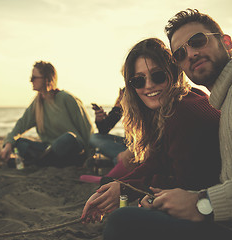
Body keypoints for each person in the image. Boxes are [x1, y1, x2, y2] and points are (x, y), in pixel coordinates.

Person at [103, 9, 232, 239]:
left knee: (121, 222)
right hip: (230, 218)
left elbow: (192, 182)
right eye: (180, 53)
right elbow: (162, 161)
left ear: (226, 41)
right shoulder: (219, 99)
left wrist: (202, 203)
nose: (191, 54)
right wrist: (126, 186)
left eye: (198, 41)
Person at [81, 38, 222, 229]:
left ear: (172, 73)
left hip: (217, 214)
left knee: (120, 222)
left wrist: (135, 192)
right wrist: (120, 187)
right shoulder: (183, 100)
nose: (148, 85)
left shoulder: (184, 112)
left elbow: (187, 185)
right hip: (205, 202)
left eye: (157, 76)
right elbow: (160, 159)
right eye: (138, 80)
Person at [0, 61, 94, 167]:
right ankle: (44, 162)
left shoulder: (66, 98)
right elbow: (21, 125)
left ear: (46, 79)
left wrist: (89, 156)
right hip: (48, 150)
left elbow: (87, 128)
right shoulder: (37, 104)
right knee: (19, 143)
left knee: (68, 138)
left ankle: (37, 162)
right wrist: (8, 144)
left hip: (71, 148)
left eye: (34, 78)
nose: (31, 81)